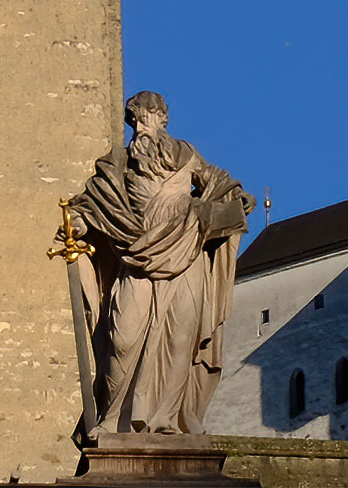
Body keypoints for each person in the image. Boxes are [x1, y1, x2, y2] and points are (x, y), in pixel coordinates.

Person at [63, 92, 249, 437]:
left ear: (163, 118)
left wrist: (236, 198)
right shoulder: (117, 163)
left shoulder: (186, 154)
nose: (140, 126)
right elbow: (92, 206)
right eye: (134, 120)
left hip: (186, 254)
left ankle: (166, 421)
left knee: (181, 338)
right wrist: (77, 224)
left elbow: (220, 183)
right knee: (122, 339)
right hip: (134, 256)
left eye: (147, 116)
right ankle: (115, 420)